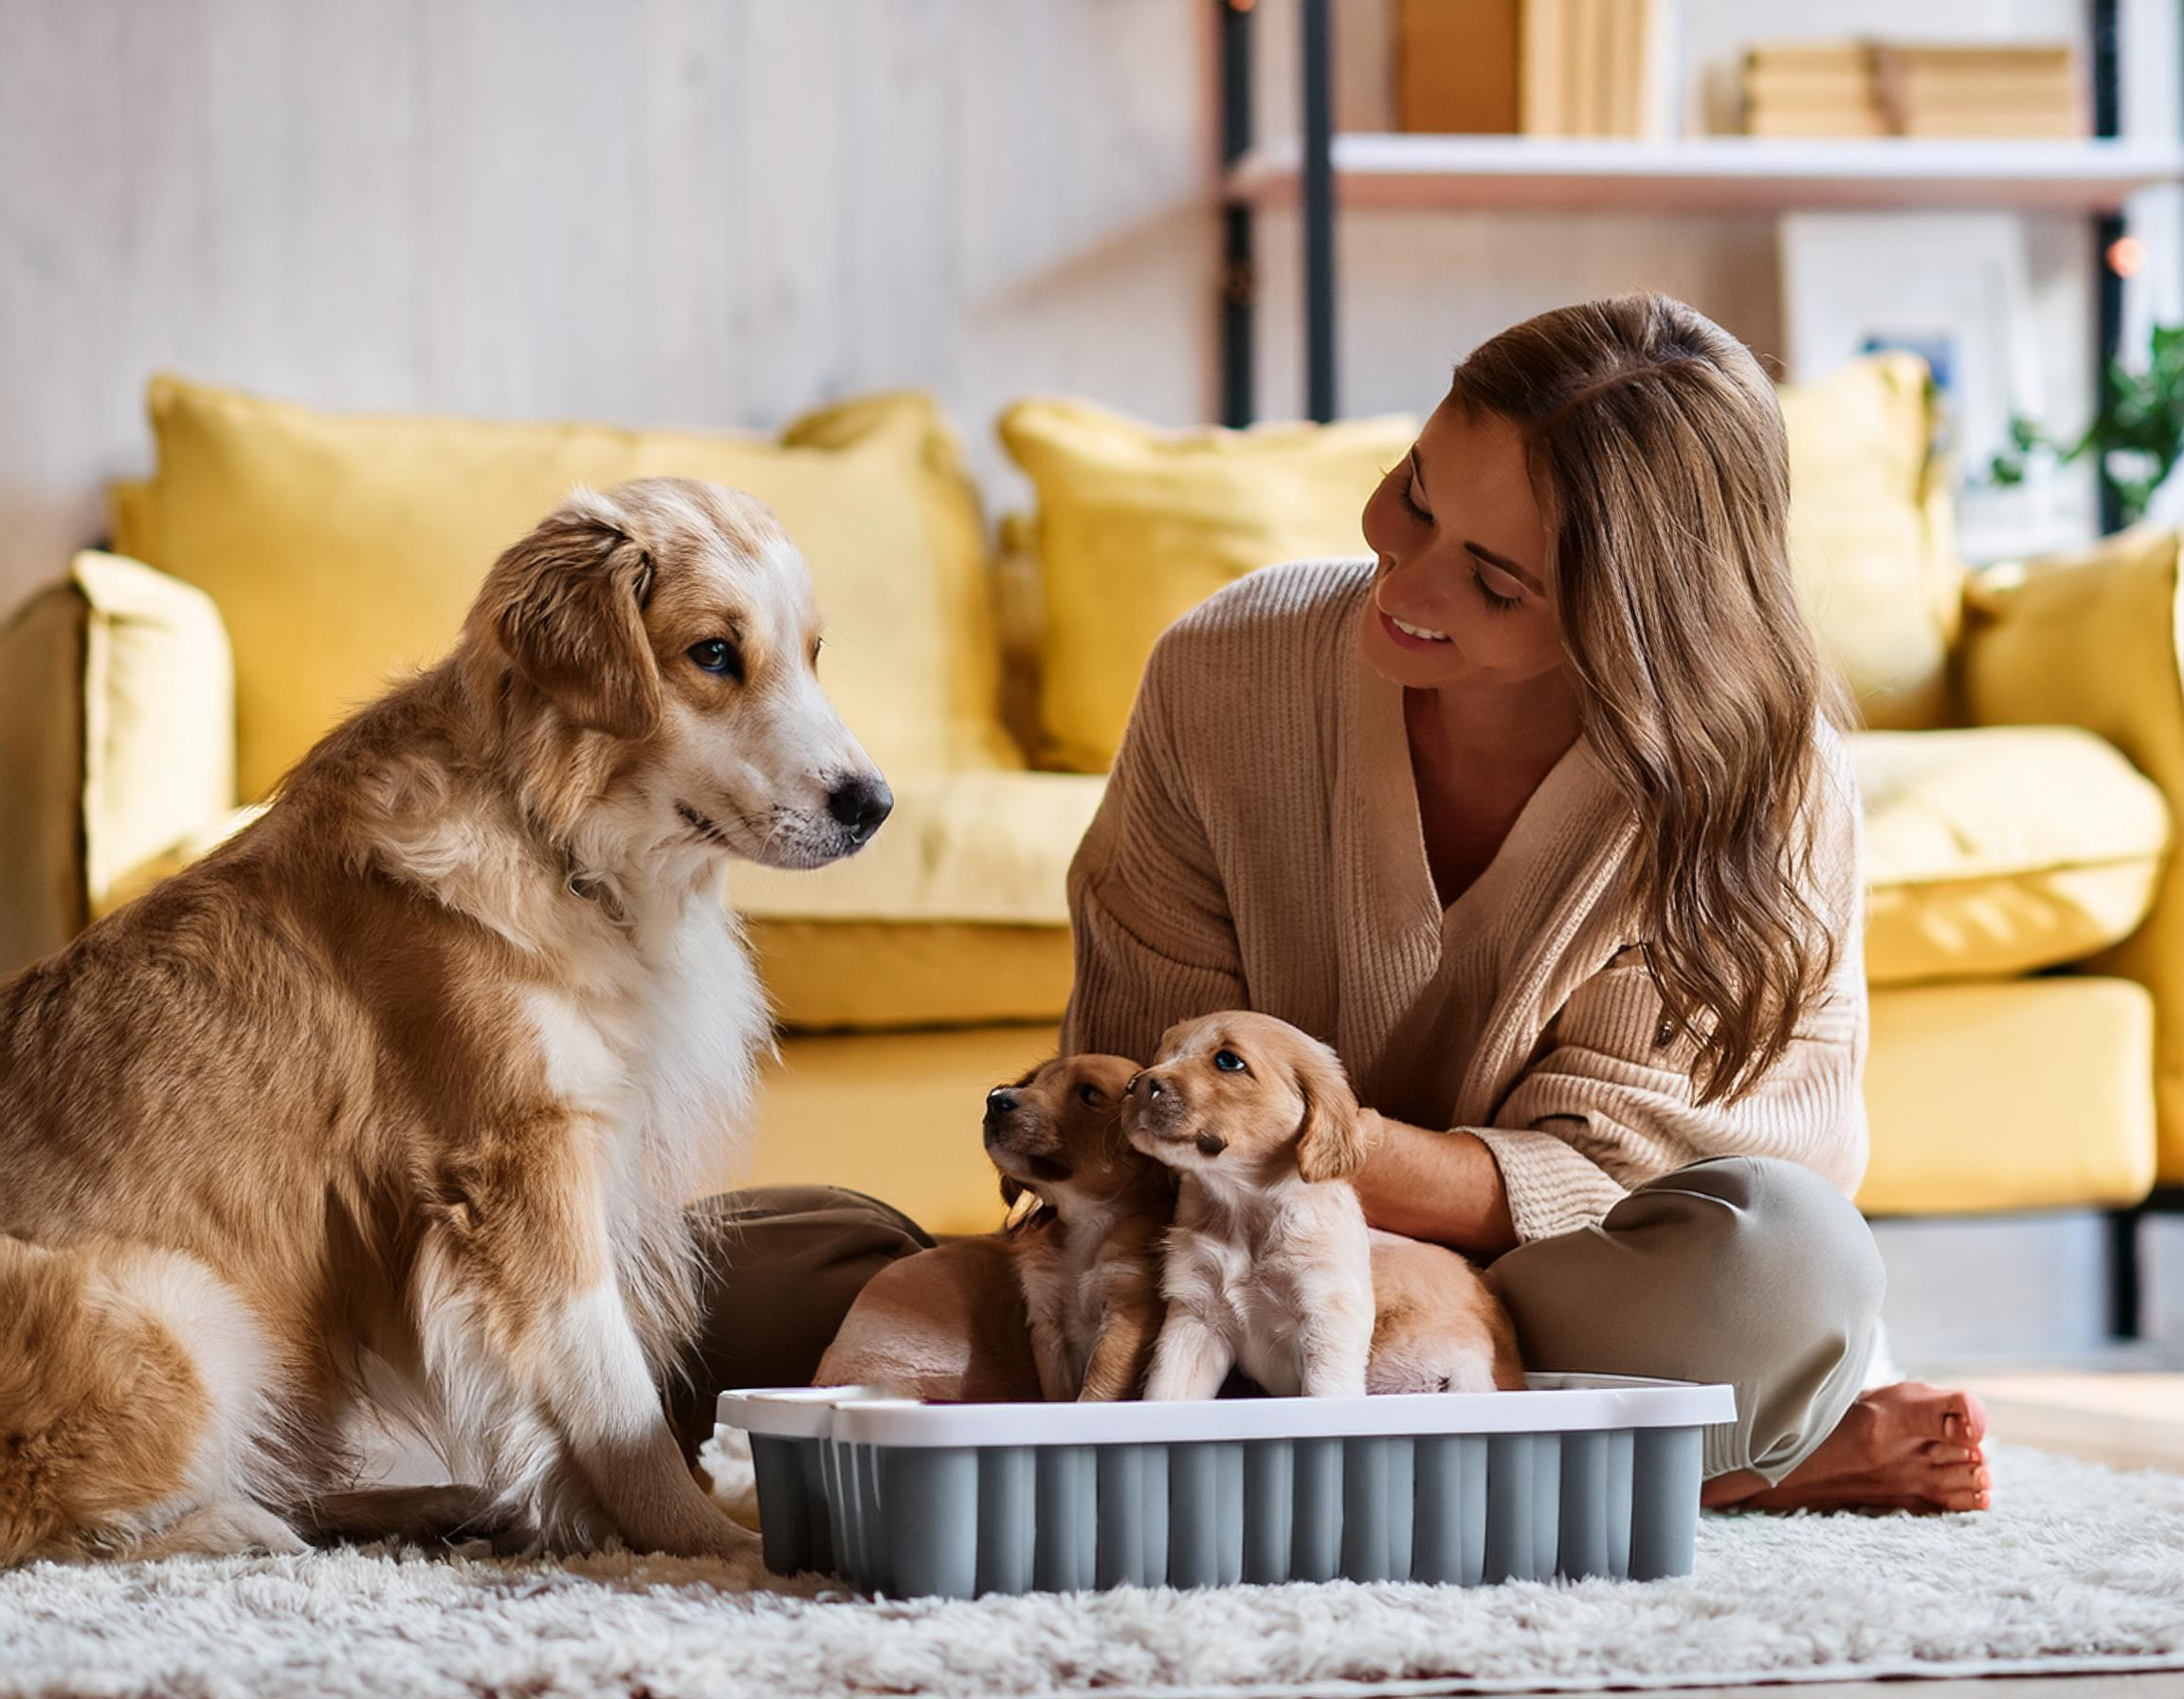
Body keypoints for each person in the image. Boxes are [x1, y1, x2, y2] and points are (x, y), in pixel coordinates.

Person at [680, 293, 1989, 1515]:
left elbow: (1618, 1182)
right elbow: (1141, 1103)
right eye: (1413, 496)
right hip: (1209, 1262)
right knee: (682, 1287)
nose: (1405, 584)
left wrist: (1311, 1164)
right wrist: (1218, 1212)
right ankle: (1625, 1468)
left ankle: (1669, 1444)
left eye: (1494, 582)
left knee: (1778, 1266)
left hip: (1545, 1301)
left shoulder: (1755, 783)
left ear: (1635, 624)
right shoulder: (1227, 672)